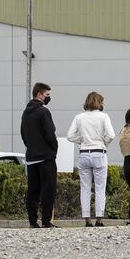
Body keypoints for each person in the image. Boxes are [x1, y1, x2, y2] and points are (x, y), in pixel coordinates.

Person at [67, 91, 115, 227]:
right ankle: (99, 218)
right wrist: (103, 142)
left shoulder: (79, 117)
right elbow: (111, 135)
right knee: (100, 187)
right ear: (98, 103)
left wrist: (81, 139)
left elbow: (70, 136)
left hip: (83, 153)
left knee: (85, 187)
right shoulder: (104, 117)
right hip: (99, 153)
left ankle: (87, 219)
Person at [20, 82, 58, 228]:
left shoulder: (25, 113)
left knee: (33, 190)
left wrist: (31, 146)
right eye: (47, 94)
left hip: (31, 157)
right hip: (45, 157)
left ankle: (32, 221)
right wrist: (53, 150)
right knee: (48, 189)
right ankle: (47, 221)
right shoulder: (43, 112)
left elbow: (23, 134)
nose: (49, 97)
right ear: (39, 94)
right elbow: (50, 134)